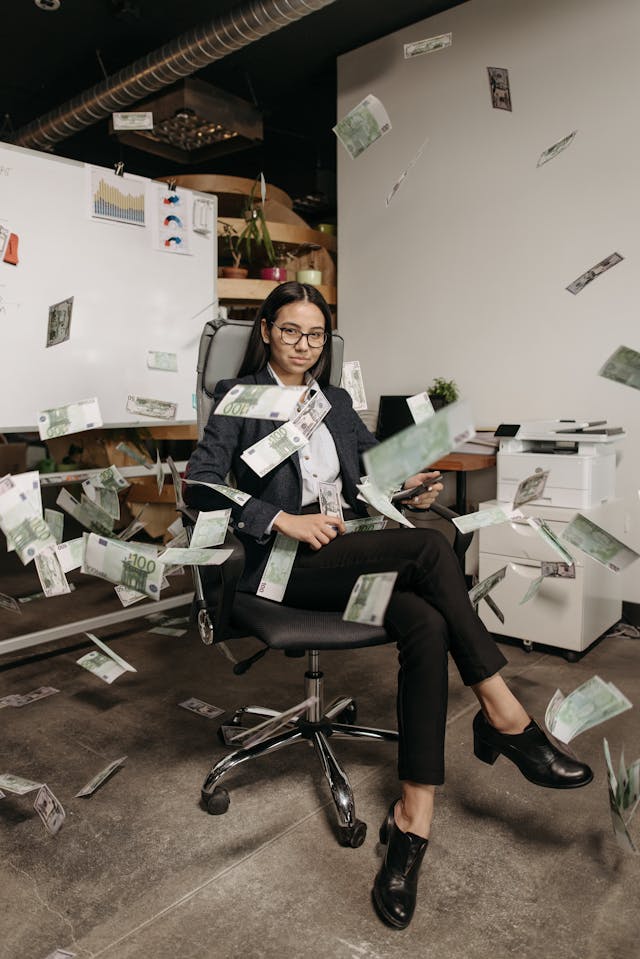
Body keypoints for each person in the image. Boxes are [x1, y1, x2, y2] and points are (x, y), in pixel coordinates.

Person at [185, 281, 593, 930]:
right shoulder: (241, 400)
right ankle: (504, 715)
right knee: (433, 555)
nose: (304, 346)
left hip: (345, 550)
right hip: (284, 565)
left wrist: (409, 490)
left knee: (425, 620)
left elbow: (369, 479)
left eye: (316, 335)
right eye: (291, 331)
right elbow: (200, 487)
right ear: (265, 331)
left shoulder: (335, 401)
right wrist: (278, 518)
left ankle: (411, 819)